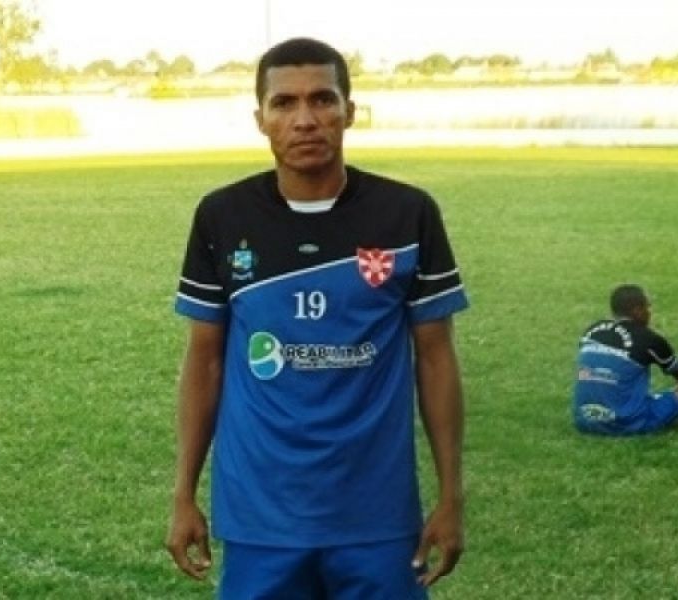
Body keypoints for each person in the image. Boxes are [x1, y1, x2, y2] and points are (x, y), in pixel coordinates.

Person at [165, 37, 469, 599]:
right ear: (260, 119)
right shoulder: (222, 216)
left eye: (322, 99)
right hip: (260, 517)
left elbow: (435, 358)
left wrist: (452, 495)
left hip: (377, 516)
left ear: (349, 111)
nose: (305, 119)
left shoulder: (407, 214)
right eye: (284, 103)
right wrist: (183, 494)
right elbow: (204, 361)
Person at [573, 284, 678, 435]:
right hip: (627, 423)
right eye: (647, 307)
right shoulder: (649, 338)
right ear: (637, 310)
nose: (650, 312)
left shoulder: (591, 331)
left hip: (585, 420)